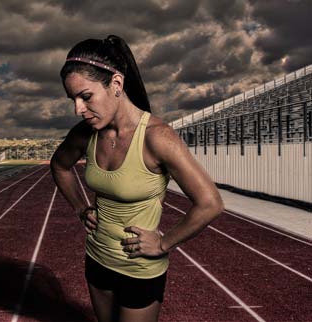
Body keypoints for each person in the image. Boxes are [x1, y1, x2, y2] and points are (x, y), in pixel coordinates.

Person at [50, 35, 223, 322]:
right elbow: (60, 165)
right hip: (97, 258)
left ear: (116, 84)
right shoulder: (85, 134)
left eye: (86, 96)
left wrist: (164, 243)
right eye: (73, 99)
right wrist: (81, 207)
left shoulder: (157, 137)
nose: (78, 109)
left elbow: (210, 203)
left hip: (139, 270)